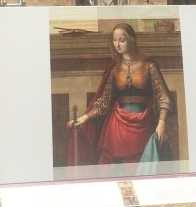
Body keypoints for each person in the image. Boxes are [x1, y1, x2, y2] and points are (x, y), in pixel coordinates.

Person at [67, 23, 173, 170]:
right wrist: (85, 117)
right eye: (114, 40)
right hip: (116, 128)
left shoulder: (149, 66)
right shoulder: (115, 69)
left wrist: (161, 123)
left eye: (122, 40)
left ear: (132, 40)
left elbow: (163, 97)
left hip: (143, 126)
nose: (117, 44)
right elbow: (105, 100)